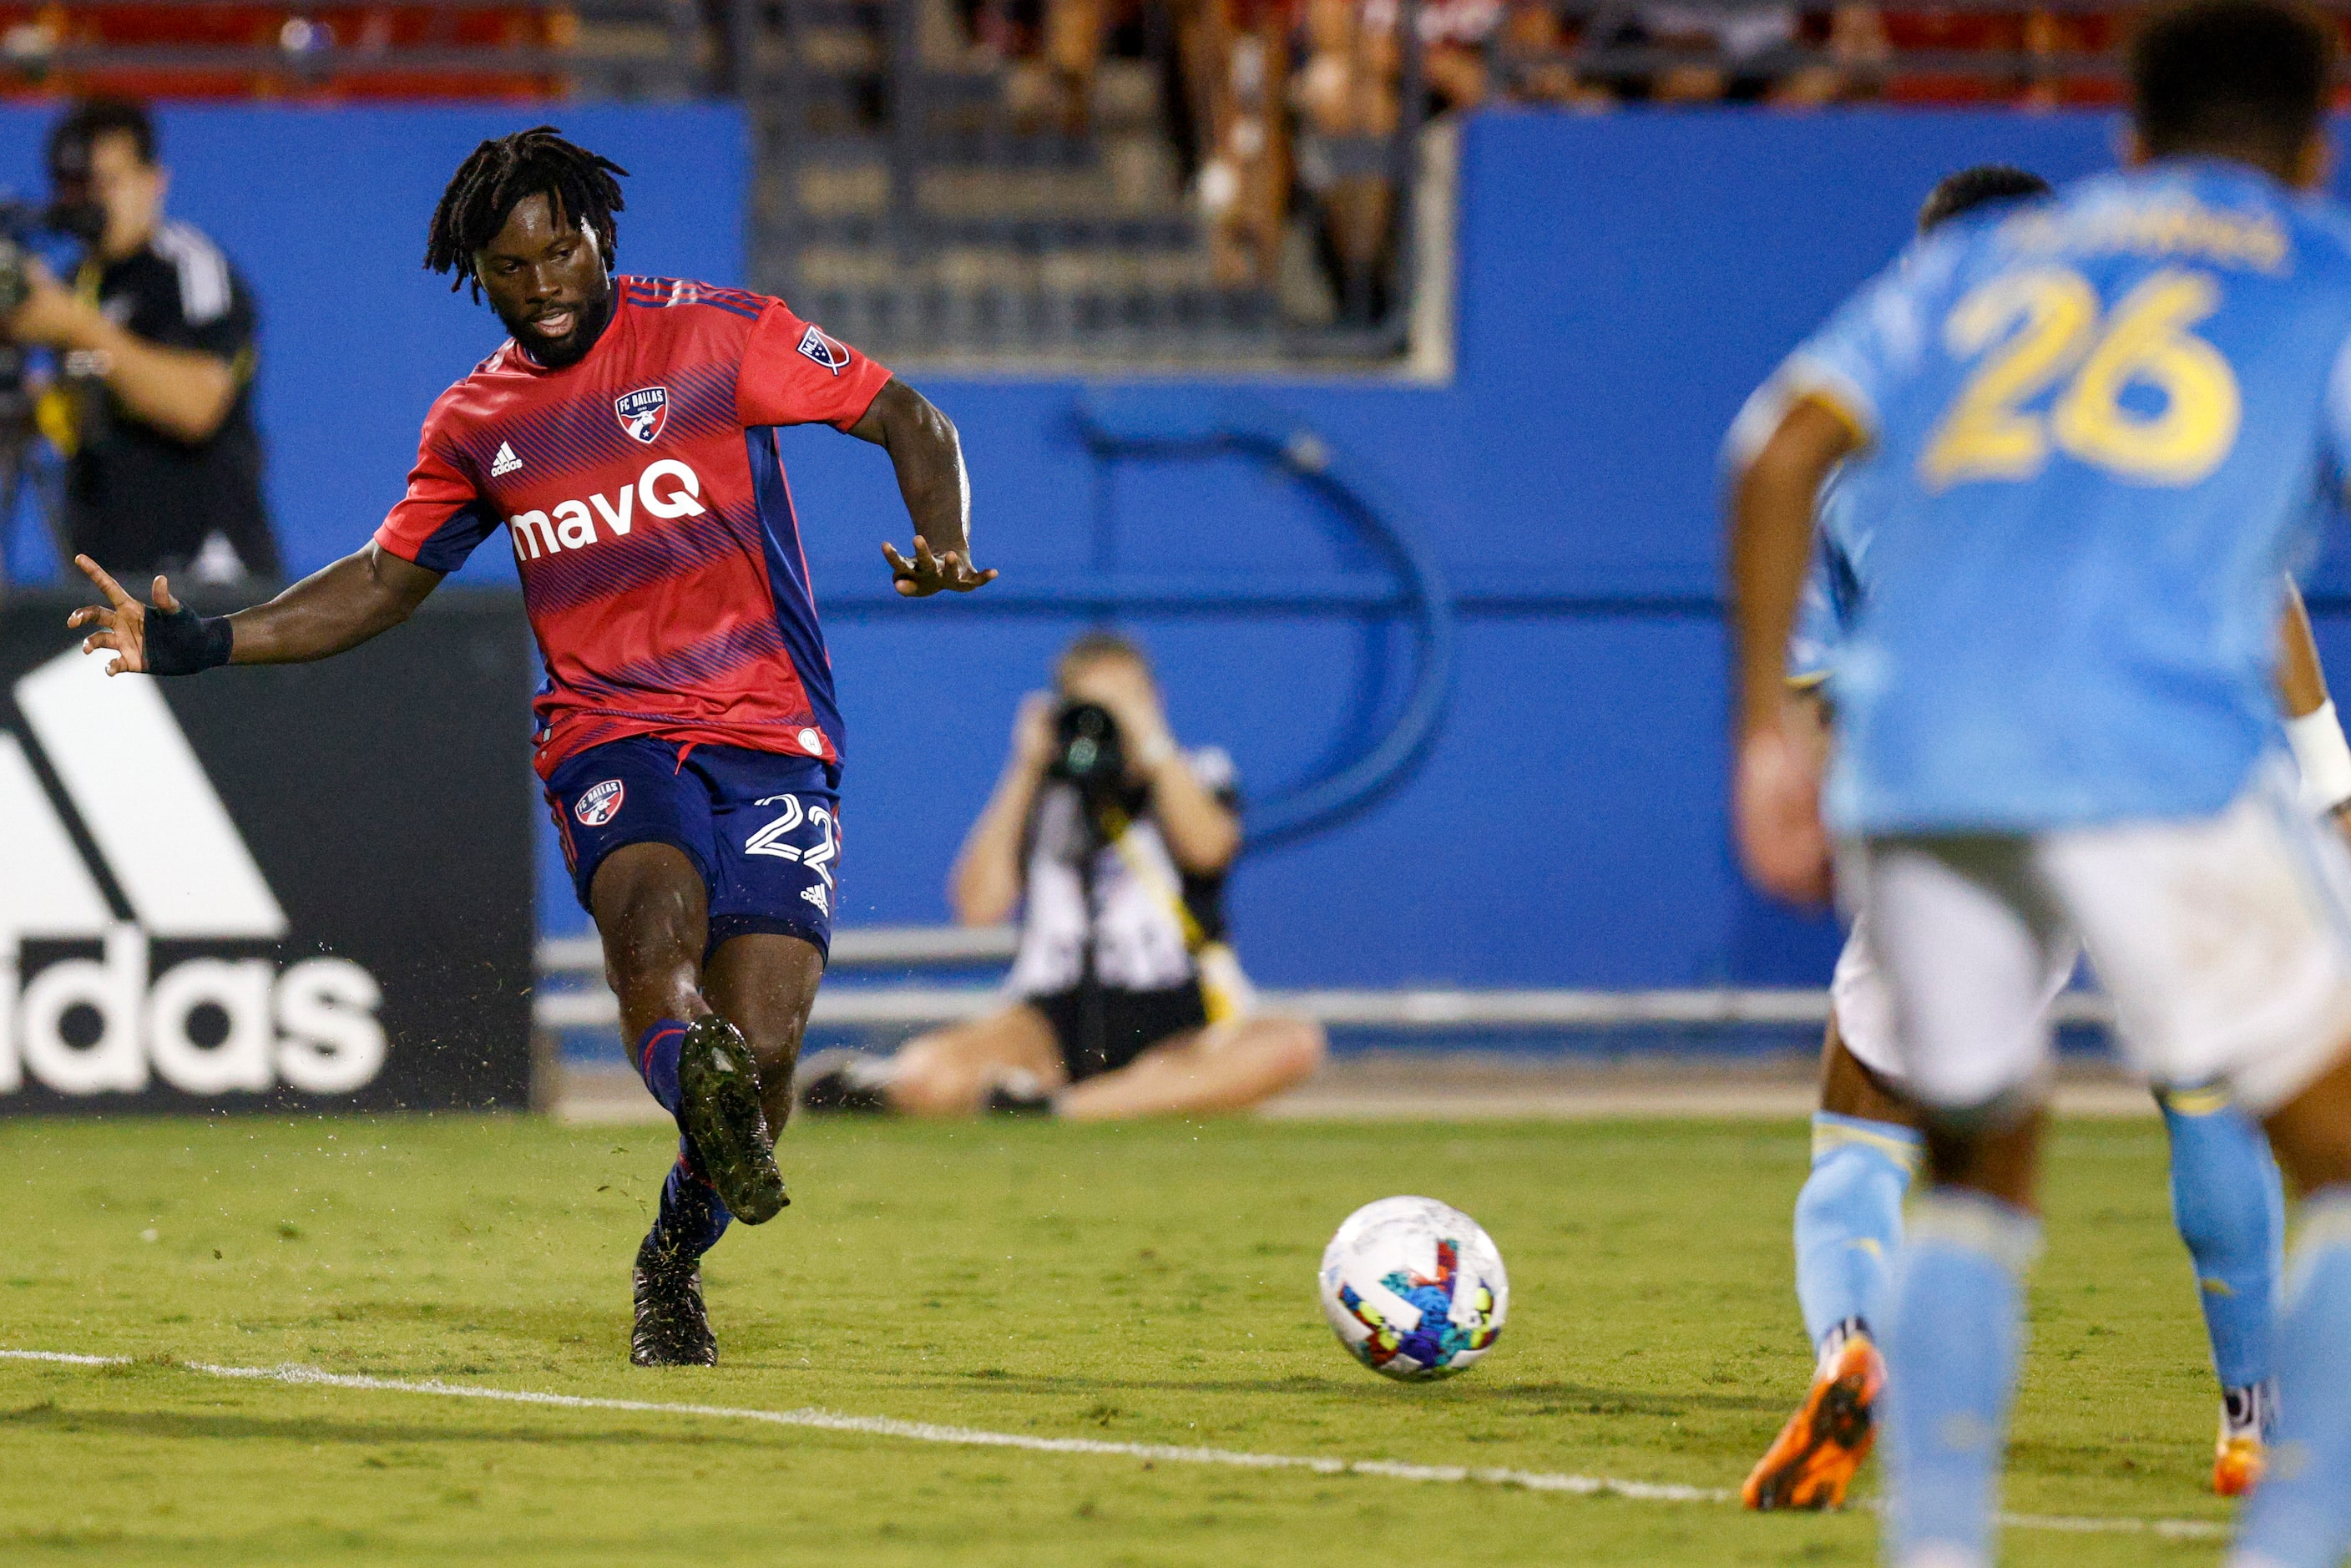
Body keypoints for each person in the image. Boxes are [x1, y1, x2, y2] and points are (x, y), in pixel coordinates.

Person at [61, 125, 996, 1369]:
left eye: (565, 250)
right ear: (478, 275)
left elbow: (909, 419)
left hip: (770, 730)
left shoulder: (721, 335)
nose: (546, 281)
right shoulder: (481, 420)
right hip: (608, 731)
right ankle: (692, 1077)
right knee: (653, 931)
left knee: (767, 1048)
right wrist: (205, 643)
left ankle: (671, 1253)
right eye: (513, 265)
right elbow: (386, 581)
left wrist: (940, 539)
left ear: (604, 238)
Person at [1730, 4, 2351, 1562]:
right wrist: (2330, 770)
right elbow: (2263, 571)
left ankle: (1935, 1537)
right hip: (2154, 746)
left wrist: (1762, 736)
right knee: (2305, 1126)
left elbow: (1774, 451)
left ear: (2125, 143)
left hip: (1927, 765)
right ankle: (2282, 1483)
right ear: (2318, 143)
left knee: (1967, 1154)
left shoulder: (1968, 287)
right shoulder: (2304, 277)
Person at [798, 631, 1326, 1120]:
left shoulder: (1198, 772)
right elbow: (978, 907)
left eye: (1127, 701)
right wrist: (1025, 768)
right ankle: (893, 1087)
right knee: (935, 1072)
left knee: (1290, 1043)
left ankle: (1063, 1107)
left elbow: (1209, 849)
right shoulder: (1042, 794)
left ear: (1154, 703)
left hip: (1183, 1010)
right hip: (1052, 1012)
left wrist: (1151, 743)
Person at [3, 99, 281, 584]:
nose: (94, 203)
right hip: (114, 579)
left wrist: (75, 327)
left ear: (155, 181)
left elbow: (198, 404)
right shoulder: (76, 284)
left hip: (208, 581)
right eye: (79, 187)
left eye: (109, 182)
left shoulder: (187, 266)